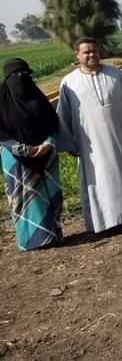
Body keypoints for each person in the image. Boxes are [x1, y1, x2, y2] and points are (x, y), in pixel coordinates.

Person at [57, 37, 122, 233]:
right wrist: (70, 144)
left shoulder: (116, 75)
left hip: (121, 138)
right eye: (86, 52)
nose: (91, 55)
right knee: (101, 181)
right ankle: (105, 222)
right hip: (90, 145)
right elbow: (63, 115)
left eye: (94, 50)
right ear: (77, 55)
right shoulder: (69, 83)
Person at [0, 58, 63, 251]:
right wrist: (20, 148)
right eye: (16, 75)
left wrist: (47, 144)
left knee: (48, 196)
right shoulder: (1, 102)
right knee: (24, 199)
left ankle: (52, 235)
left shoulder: (38, 98)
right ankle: (29, 241)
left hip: (45, 155)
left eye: (25, 74)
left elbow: (53, 123)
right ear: (8, 78)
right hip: (15, 159)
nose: (21, 78)